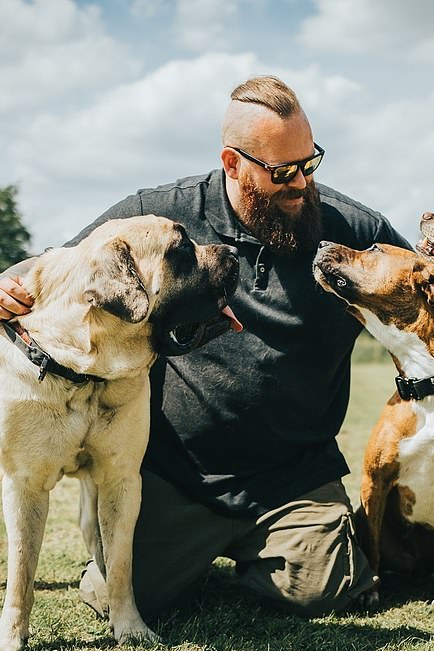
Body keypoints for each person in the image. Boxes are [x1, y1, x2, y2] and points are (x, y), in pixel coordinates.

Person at [0, 76, 410, 621]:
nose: (302, 185)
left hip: (293, 478)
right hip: (177, 475)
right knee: (117, 597)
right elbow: (65, 269)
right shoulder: (155, 215)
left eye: (310, 164)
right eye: (283, 172)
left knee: (326, 593)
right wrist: (8, 281)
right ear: (233, 162)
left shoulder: (354, 229)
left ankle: (281, 548)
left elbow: (425, 300)